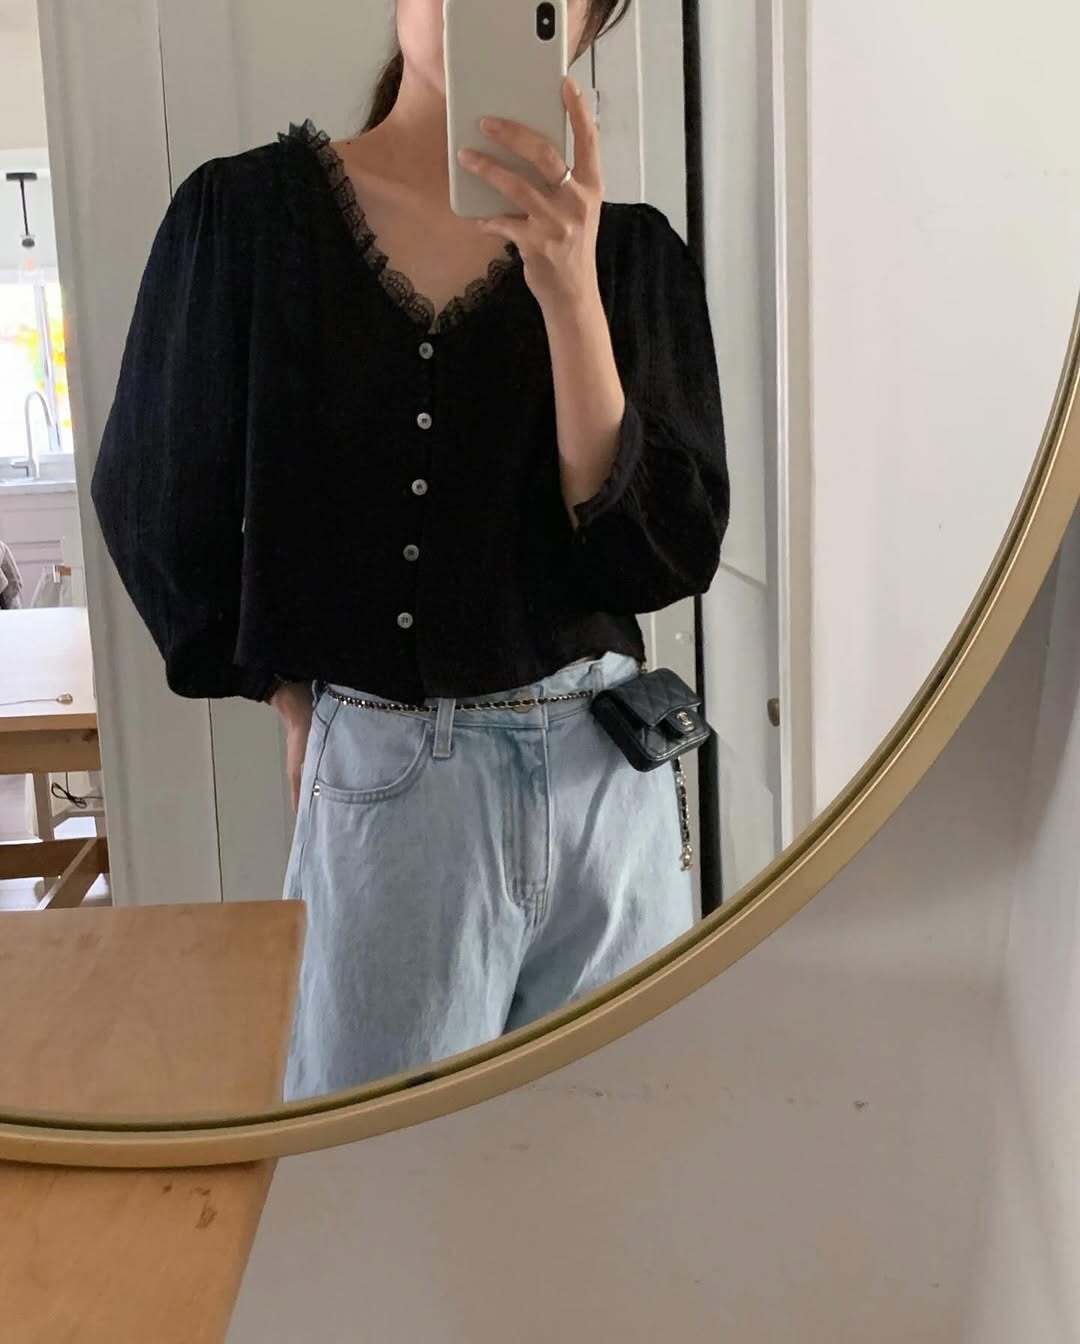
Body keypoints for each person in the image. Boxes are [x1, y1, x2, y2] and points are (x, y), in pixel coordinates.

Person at [90, 0, 730, 1101]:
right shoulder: (245, 221)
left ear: (583, 19)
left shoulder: (631, 256)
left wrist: (569, 292)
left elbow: (661, 557)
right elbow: (155, 497)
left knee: (615, 1171)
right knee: (376, 1175)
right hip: (390, 785)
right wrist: (290, 691)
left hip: (611, 785)